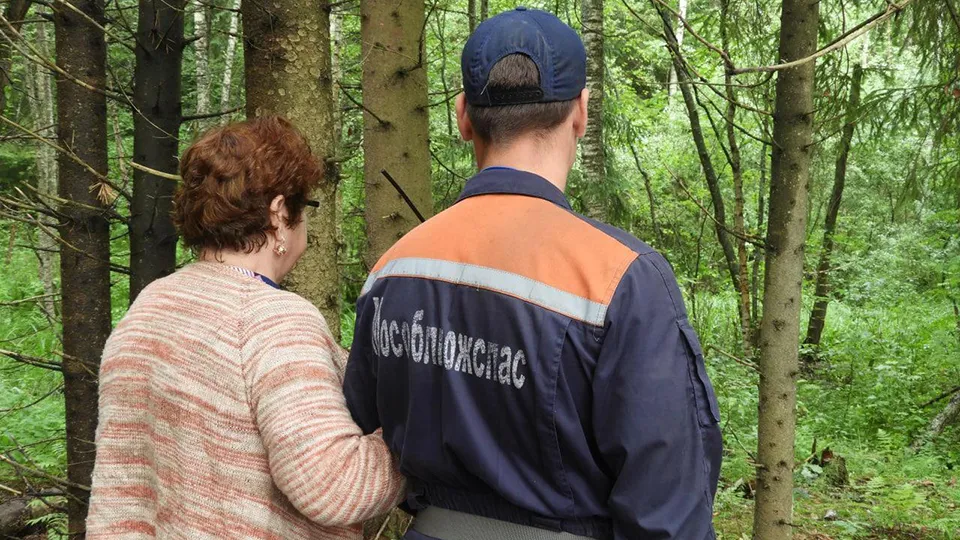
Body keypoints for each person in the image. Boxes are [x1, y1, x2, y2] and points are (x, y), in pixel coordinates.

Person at [343, 7, 722, 540]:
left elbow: (353, 437)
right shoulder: (621, 278)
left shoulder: (394, 269)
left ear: (463, 117)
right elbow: (668, 508)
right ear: (582, 113)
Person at [86, 116, 404, 539]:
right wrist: (411, 445)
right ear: (278, 213)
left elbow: (120, 491)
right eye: (303, 208)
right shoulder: (272, 321)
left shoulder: (147, 310)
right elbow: (333, 486)